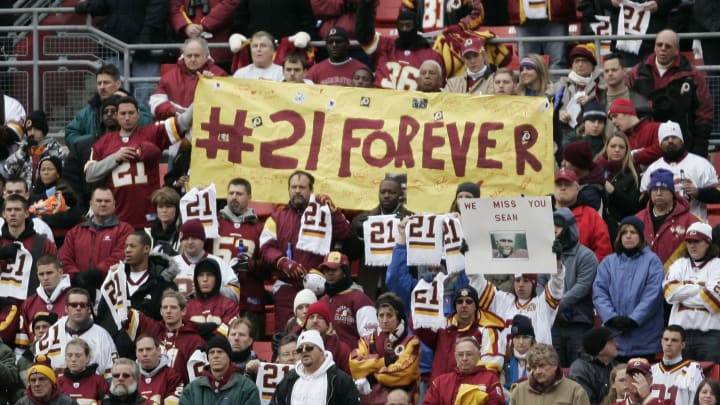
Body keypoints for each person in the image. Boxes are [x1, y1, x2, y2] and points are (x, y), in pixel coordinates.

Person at [259, 170, 351, 329]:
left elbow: (344, 233)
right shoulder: (276, 217)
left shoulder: (324, 212)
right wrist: (282, 262)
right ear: (288, 190)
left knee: (319, 331)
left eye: (302, 187)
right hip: (287, 285)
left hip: (319, 287)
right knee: (286, 333)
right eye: (293, 187)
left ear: (311, 190)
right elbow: (266, 247)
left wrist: (333, 212)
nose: (297, 191)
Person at [84, 96, 192, 228]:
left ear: (138, 114)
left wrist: (201, 95)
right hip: (118, 219)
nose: (127, 117)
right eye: (123, 114)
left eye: (131, 113)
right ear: (117, 116)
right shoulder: (104, 142)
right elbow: (90, 175)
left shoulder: (152, 133)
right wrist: (115, 158)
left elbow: (183, 122)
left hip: (149, 216)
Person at [627, 30, 713, 156]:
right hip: (646, 145)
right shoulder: (636, 73)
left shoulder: (693, 75)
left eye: (668, 46)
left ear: (677, 50)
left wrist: (700, 145)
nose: (663, 49)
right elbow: (627, 108)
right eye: (659, 45)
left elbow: (704, 112)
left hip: (683, 145)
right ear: (654, 47)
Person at [593, 216, 665, 362]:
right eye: (624, 232)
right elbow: (599, 292)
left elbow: (653, 294)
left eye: (633, 232)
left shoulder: (652, 261)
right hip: (615, 339)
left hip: (645, 338)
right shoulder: (608, 262)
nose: (628, 236)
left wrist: (634, 319)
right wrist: (611, 318)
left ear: (640, 236)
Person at [539, 207, 598, 367]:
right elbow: (540, 282)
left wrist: (555, 303)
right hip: (553, 324)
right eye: (552, 225)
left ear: (570, 227)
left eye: (558, 225)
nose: (554, 229)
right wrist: (544, 303)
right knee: (552, 367)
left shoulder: (586, 256)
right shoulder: (546, 255)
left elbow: (582, 287)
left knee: (577, 367)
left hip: (578, 323)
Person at [413, 284, 505, 382]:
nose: (464, 305)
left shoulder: (488, 331)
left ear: (476, 306)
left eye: (469, 302)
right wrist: (426, 288)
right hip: (437, 391)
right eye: (460, 302)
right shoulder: (443, 325)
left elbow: (490, 369)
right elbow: (420, 327)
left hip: (468, 392)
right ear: (455, 306)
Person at [347, 177, 413, 300]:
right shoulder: (362, 219)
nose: (386, 195)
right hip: (369, 287)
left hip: (398, 288)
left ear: (400, 195)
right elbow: (351, 254)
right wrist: (359, 235)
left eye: (391, 192)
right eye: (383, 192)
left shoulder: (411, 219)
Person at [349, 293, 420, 405]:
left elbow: (403, 373)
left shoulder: (411, 342)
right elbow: (355, 365)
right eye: (381, 315)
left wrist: (372, 377)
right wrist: (384, 361)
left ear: (399, 317)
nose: (384, 320)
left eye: (389, 315)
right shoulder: (366, 340)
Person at [215, 177, 264, 337]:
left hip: (249, 299)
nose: (234, 197)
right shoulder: (214, 223)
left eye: (239, 194)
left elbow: (269, 266)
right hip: (218, 298)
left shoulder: (260, 228)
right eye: (231, 193)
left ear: (249, 197)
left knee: (250, 345)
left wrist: (252, 265)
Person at [664, 223, 720, 363]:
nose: (692, 245)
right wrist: (699, 289)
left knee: (709, 383)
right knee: (681, 381)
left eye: (697, 241)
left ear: (708, 243)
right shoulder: (679, 264)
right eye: (689, 241)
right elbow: (669, 294)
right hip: (680, 335)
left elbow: (713, 300)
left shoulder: (717, 265)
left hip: (710, 337)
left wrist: (683, 293)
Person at [640, 121, 717, 221]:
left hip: (695, 226)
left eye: (674, 137)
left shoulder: (701, 164)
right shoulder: (652, 169)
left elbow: (717, 194)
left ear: (681, 141)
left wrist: (698, 192)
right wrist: (651, 193)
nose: (670, 141)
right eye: (666, 138)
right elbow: (641, 202)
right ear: (660, 144)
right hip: (663, 226)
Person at [355, 4, 444, 90]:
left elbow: (439, 87)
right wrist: (366, 5)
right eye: (401, 26)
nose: (404, 29)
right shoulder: (386, 46)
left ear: (416, 26)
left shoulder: (432, 56)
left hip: (411, 103)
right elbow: (364, 36)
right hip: (380, 102)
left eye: (408, 25)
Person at [59, 187, 134, 287]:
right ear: (91, 204)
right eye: (99, 201)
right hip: (78, 290)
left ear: (114, 204)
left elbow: (120, 256)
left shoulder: (125, 230)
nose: (103, 204)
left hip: (112, 289)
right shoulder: (75, 232)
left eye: (107, 201)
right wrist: (77, 276)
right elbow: (64, 257)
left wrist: (96, 273)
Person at [64, 64, 152, 150]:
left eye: (106, 83)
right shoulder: (88, 112)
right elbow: (71, 135)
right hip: (96, 158)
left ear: (117, 84)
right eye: (99, 83)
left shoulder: (137, 106)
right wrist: (93, 142)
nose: (102, 87)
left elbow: (147, 126)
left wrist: (127, 102)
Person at [127, 289, 206, 383]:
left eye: (173, 307)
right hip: (150, 391)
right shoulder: (152, 329)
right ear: (160, 311)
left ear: (183, 311)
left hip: (181, 393)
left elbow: (199, 381)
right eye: (165, 307)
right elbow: (124, 314)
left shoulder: (195, 341)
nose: (168, 311)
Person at [35, 288, 118, 378]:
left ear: (89, 309)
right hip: (59, 389)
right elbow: (39, 370)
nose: (78, 308)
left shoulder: (103, 336)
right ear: (66, 308)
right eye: (74, 305)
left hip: (92, 389)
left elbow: (112, 375)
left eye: (82, 305)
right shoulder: (52, 333)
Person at [269, 330, 360, 405]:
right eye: (300, 349)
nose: (304, 351)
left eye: (309, 348)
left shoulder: (339, 380)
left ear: (321, 351)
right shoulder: (289, 378)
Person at [636, 168, 701, 271]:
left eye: (663, 189)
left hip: (676, 282)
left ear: (672, 192)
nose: (658, 193)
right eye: (654, 189)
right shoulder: (637, 219)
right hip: (643, 280)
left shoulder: (692, 222)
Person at [149, 37, 227, 120]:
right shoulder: (168, 77)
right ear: (183, 56)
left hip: (207, 128)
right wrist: (176, 111)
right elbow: (156, 103)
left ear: (206, 56)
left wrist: (211, 85)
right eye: (189, 56)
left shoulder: (219, 75)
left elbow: (227, 105)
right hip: (177, 127)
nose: (192, 59)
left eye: (197, 55)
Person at [0, 194, 57, 297]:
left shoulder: (42, 243)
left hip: (31, 303)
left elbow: (56, 274)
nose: (13, 213)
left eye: (17, 209)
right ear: (3, 214)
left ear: (26, 213)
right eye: (9, 210)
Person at [179, 335, 261, 405]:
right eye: (211, 352)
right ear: (208, 358)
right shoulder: (191, 390)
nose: (215, 356)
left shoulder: (247, 388)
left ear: (229, 357)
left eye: (220, 352)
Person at [553, 168, 612, 263]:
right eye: (559, 184)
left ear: (577, 189)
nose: (562, 188)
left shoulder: (591, 216)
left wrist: (588, 271)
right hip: (547, 275)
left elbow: (603, 250)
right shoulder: (544, 213)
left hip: (581, 274)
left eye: (567, 184)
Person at [423, 337, 505, 405]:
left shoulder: (490, 380)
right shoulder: (440, 382)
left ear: (479, 355)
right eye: (460, 354)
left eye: (469, 354)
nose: (464, 358)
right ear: (455, 357)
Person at [172, 219, 240, 301]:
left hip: (211, 312)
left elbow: (236, 294)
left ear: (203, 240)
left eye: (194, 238)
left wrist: (214, 289)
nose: (190, 242)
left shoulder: (219, 263)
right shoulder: (170, 264)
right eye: (185, 239)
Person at [319, 251, 377, 344]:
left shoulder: (359, 299)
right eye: (326, 269)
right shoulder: (322, 301)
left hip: (352, 357)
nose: (329, 273)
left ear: (344, 271)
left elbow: (371, 338)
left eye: (334, 269)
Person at [120, 231, 179, 321]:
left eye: (132, 246)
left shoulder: (164, 284)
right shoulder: (116, 279)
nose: (127, 250)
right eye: (126, 246)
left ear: (146, 249)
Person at [17, 255, 71, 352]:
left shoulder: (74, 300)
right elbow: (21, 346)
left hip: (67, 360)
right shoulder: (28, 303)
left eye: (49, 273)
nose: (45, 278)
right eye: (41, 274)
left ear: (60, 272)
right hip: (35, 361)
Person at [594, 132, 642, 242]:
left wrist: (614, 191)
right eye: (613, 146)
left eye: (621, 147)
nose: (617, 150)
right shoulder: (594, 169)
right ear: (606, 147)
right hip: (594, 225)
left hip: (617, 230)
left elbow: (634, 206)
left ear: (626, 150)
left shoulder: (632, 175)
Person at [0, 110, 67, 187]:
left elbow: (63, 172)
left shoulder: (54, 148)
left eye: (36, 129)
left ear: (43, 130)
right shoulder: (23, 149)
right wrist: (22, 152)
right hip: (25, 194)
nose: (32, 133)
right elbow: (7, 170)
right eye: (29, 130)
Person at [553, 43, 605, 141]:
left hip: (593, 136)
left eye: (584, 61)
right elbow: (544, 104)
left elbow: (609, 110)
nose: (580, 64)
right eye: (576, 61)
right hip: (564, 134)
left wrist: (591, 103)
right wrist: (557, 114)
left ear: (592, 65)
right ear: (572, 65)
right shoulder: (561, 84)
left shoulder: (602, 85)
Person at [28, 156, 83, 246]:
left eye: (49, 169)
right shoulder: (32, 192)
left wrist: (44, 219)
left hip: (62, 240)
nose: (46, 172)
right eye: (43, 169)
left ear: (58, 173)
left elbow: (72, 216)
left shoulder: (66, 191)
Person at [510, 344, 591, 404]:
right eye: (534, 367)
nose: (537, 371)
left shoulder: (575, 391)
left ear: (555, 365)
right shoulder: (519, 392)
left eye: (542, 366)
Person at [168, 0, 238, 69]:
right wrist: (185, 26)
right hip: (187, 52)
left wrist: (205, 24)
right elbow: (174, 8)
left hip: (219, 50)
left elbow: (230, 3)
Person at [185, 258, 240, 339]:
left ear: (217, 278)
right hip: (192, 349)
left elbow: (231, 330)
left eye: (209, 275)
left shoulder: (229, 306)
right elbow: (182, 331)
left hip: (220, 349)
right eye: (201, 275)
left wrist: (213, 333)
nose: (205, 279)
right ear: (196, 279)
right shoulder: (187, 307)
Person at [650, 325, 704, 405]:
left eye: (674, 340)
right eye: (666, 339)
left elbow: (697, 401)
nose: (669, 343)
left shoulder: (693, 369)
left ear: (683, 345)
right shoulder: (651, 370)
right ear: (661, 342)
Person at [568, 326, 620, 404]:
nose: (617, 344)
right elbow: (585, 401)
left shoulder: (616, 365)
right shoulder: (580, 370)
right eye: (611, 341)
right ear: (600, 348)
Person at [606, 98, 662, 169]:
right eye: (611, 119)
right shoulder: (621, 140)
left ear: (627, 112)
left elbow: (662, 147)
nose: (613, 121)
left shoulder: (657, 127)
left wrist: (634, 156)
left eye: (615, 116)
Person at [302, 301, 352, 374]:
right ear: (305, 324)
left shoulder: (341, 349)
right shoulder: (296, 346)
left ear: (328, 325)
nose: (315, 321)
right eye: (311, 317)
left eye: (320, 317)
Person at [56, 338, 109, 404]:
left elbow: (108, 402)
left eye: (78, 356)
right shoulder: (58, 382)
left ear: (87, 358)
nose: (73, 359)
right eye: (69, 355)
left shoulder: (99, 381)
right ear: (65, 358)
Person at [135, 333, 184, 405]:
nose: (144, 354)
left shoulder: (173, 376)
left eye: (148, 349)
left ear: (159, 350)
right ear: (136, 353)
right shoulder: (130, 377)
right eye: (140, 350)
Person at [561, 140, 607, 212]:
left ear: (578, 163)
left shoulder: (591, 194)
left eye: (566, 160)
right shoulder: (574, 180)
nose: (562, 163)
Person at [502, 315, 535, 400]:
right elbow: (501, 388)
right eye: (517, 337)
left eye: (525, 337)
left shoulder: (539, 361)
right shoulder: (504, 361)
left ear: (532, 339)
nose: (521, 342)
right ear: (512, 339)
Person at [146, 187, 181, 253]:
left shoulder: (182, 234)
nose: (164, 210)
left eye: (168, 206)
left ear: (176, 209)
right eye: (161, 206)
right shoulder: (148, 234)